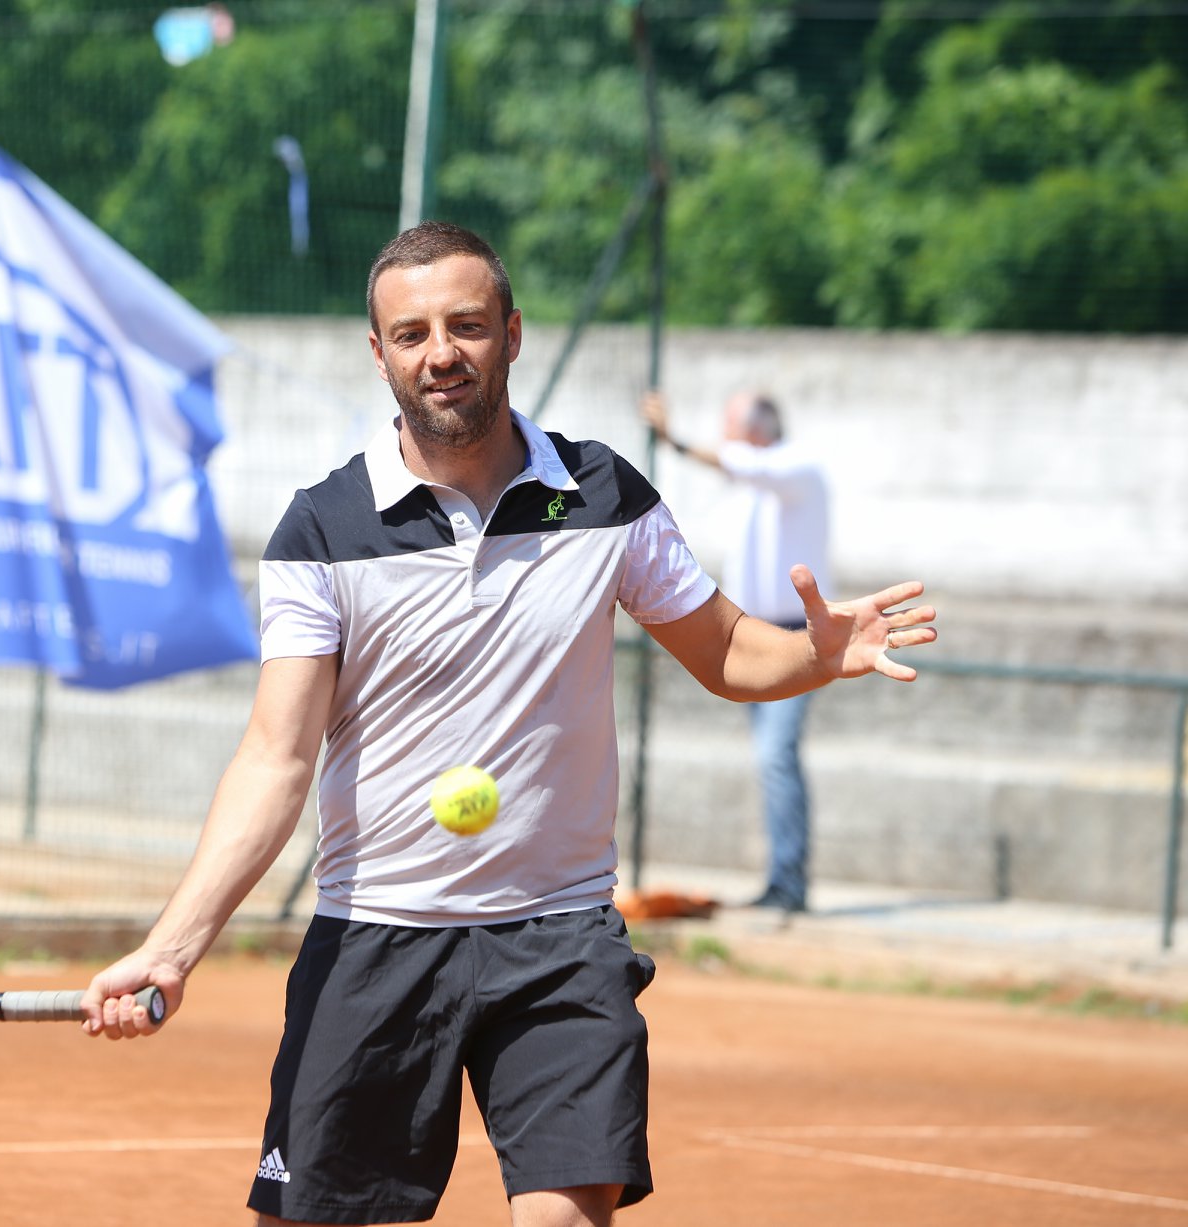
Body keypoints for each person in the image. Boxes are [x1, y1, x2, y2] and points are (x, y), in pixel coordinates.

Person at [81, 222, 935, 1227]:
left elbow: (727, 652)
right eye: (411, 334)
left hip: (559, 938)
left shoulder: (603, 495)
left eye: (466, 326)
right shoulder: (321, 530)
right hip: (377, 936)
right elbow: (276, 757)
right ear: (378, 352)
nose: (440, 353)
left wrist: (814, 654)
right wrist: (175, 947)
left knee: (568, 1218)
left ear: (512, 334)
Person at [639, 388, 829, 914]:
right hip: (754, 634)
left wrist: (674, 440)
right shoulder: (752, 481)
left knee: (776, 757)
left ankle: (789, 884)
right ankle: (783, 881)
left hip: (796, 635)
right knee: (771, 758)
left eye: (731, 425)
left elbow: (742, 464)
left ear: (758, 429)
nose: (724, 437)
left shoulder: (796, 467)